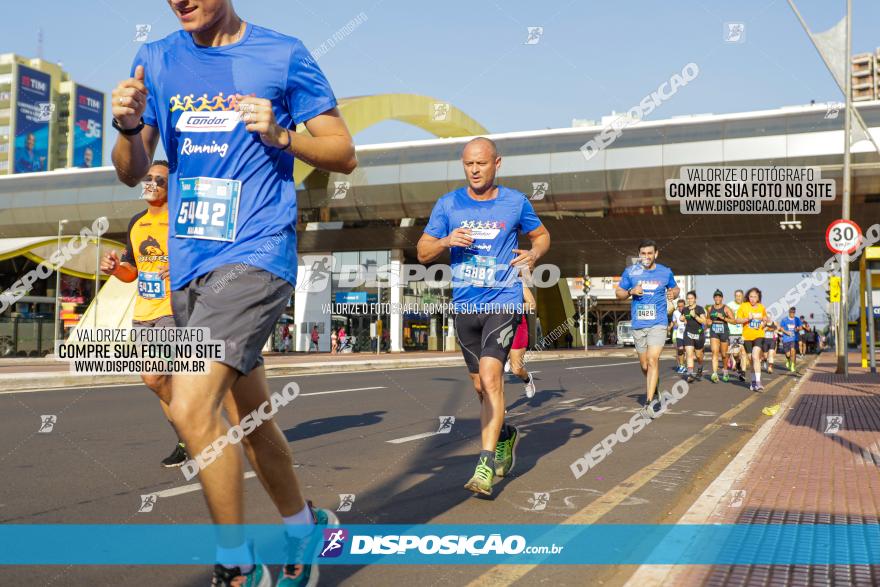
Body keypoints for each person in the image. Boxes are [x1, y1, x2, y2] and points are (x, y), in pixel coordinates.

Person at [111, 1, 357, 584]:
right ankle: (305, 527)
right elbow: (130, 170)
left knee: (193, 408)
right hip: (189, 268)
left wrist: (281, 134)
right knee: (250, 418)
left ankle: (237, 568)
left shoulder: (283, 53)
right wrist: (125, 129)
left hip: (256, 254)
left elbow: (343, 152)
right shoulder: (157, 59)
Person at [417, 136, 550, 496]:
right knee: (480, 387)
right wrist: (446, 242)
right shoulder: (448, 205)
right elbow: (423, 252)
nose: (474, 170)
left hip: (503, 302)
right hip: (465, 307)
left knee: (493, 378)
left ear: (496, 163)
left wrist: (534, 254)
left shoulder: (515, 202)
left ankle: (485, 464)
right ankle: (505, 434)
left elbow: (542, 236)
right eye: (468, 164)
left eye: (481, 163)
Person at [100, 160, 186, 468]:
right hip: (143, 312)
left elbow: (203, 259)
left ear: (171, 187)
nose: (151, 183)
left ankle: (195, 427)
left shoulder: (181, 221)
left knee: (153, 376)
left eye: (159, 180)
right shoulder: (137, 223)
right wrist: (114, 269)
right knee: (162, 381)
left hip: (173, 310)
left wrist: (179, 268)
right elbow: (131, 272)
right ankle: (188, 435)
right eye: (147, 178)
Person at [616, 240, 680, 415]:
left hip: (658, 323)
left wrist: (673, 293)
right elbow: (619, 293)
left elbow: (676, 289)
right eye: (643, 254)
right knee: (645, 365)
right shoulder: (630, 272)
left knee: (653, 360)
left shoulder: (665, 272)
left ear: (656, 254)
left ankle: (649, 403)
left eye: (649, 253)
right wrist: (630, 292)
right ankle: (655, 385)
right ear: (639, 255)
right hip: (639, 324)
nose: (646, 257)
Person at [505, 283, 537, 399]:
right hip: (497, 325)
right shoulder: (491, 282)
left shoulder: (518, 283)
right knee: (495, 371)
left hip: (517, 325)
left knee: (516, 370)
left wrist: (514, 305)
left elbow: (532, 305)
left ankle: (527, 379)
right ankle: (499, 407)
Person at [735, 288, 768, 392]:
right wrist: (747, 319)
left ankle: (758, 383)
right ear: (748, 297)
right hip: (747, 336)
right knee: (751, 359)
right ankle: (753, 382)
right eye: (751, 296)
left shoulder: (762, 307)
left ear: (758, 298)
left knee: (755, 356)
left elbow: (765, 319)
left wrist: (764, 322)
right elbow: (737, 320)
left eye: (755, 297)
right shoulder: (744, 306)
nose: (752, 299)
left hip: (759, 335)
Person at [707, 290, 735, 383]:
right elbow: (708, 320)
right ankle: (714, 374)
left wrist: (723, 317)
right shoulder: (710, 308)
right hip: (714, 331)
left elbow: (733, 321)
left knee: (724, 354)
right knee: (714, 352)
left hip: (724, 330)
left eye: (719, 297)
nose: (717, 298)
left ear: (722, 298)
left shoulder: (726, 308)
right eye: (716, 297)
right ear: (714, 298)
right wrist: (708, 322)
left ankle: (725, 371)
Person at [681, 291, 708, 383]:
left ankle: (700, 367)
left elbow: (704, 322)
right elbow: (683, 318)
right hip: (688, 333)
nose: (690, 300)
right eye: (688, 298)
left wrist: (695, 316)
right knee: (689, 354)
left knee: (698, 355)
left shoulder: (700, 309)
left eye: (691, 298)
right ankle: (690, 374)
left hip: (699, 334)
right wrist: (682, 318)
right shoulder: (685, 309)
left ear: (695, 299)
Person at [726, 289, 748, 381]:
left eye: (740, 295)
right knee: (735, 354)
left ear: (742, 296)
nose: (738, 297)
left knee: (743, 352)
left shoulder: (746, 306)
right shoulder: (729, 305)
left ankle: (743, 373)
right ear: (734, 296)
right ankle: (738, 364)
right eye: (736, 295)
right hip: (733, 332)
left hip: (743, 332)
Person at [669, 298, 687, 374]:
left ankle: (686, 365)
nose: (680, 308)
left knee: (686, 351)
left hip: (687, 334)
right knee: (680, 349)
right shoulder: (675, 313)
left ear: (684, 306)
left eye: (682, 306)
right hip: (679, 334)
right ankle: (682, 366)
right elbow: (673, 321)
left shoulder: (688, 312)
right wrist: (670, 327)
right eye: (679, 306)